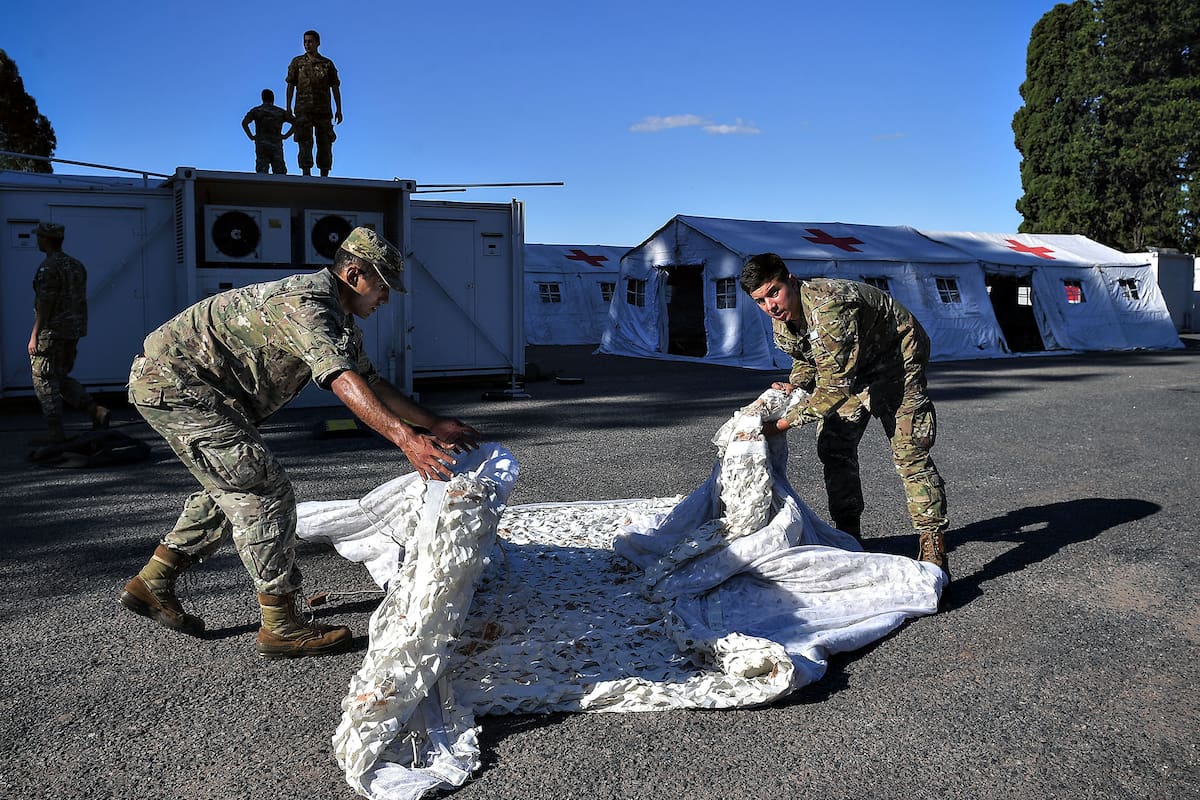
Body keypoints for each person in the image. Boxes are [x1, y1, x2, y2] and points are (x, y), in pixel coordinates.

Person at [118, 227, 480, 659]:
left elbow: (369, 381)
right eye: (382, 287)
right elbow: (341, 380)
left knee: (232, 485)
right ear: (353, 274)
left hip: (205, 395)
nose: (386, 299)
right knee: (261, 489)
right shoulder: (305, 304)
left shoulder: (337, 316)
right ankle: (282, 623)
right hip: (176, 387)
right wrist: (406, 439)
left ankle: (154, 582)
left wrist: (433, 422)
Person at [740, 252, 949, 577]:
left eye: (774, 292)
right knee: (835, 448)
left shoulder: (827, 306)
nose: (771, 305)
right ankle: (848, 537)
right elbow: (808, 359)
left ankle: (932, 543)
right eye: (761, 300)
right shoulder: (782, 320)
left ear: (790, 280)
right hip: (851, 369)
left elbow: (834, 389)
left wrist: (782, 423)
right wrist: (793, 385)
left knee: (909, 452)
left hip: (896, 359)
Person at [28, 221, 109, 443]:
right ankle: (96, 411)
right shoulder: (76, 265)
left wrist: (35, 334)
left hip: (51, 333)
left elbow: (45, 302)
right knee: (60, 377)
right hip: (72, 332)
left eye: (39, 237)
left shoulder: (49, 267)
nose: (37, 240)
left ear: (45, 239)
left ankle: (55, 433)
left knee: (44, 379)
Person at [285, 29, 342, 177]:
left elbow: (335, 87)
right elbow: (290, 85)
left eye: (310, 41)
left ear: (317, 43)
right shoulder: (297, 62)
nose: (307, 44)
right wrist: (288, 107)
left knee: (325, 143)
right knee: (304, 141)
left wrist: (339, 109)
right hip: (303, 110)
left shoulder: (327, 64)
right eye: (305, 42)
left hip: (323, 110)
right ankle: (306, 173)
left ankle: (324, 174)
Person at [241, 88, 293, 174]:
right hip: (276, 146)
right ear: (273, 98)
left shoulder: (256, 110)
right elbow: (296, 123)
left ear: (262, 98)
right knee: (280, 174)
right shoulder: (280, 112)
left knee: (262, 173)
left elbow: (244, 123)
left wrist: (251, 136)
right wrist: (285, 136)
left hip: (261, 145)